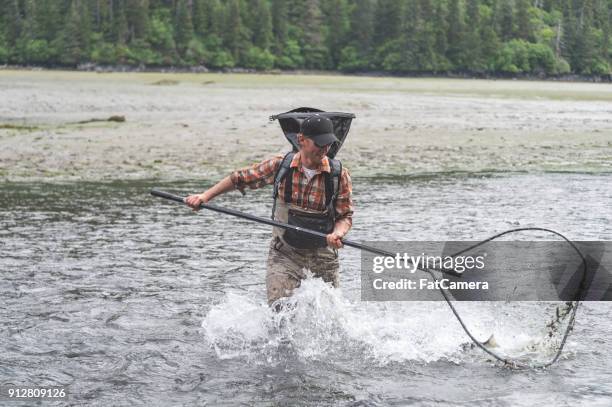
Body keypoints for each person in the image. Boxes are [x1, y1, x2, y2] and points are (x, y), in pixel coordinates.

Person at [186, 114, 353, 307]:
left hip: (324, 256)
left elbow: (345, 216)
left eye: (329, 144)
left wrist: (338, 233)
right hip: (285, 253)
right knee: (279, 310)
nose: (325, 149)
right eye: (319, 144)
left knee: (330, 318)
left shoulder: (338, 175)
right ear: (301, 140)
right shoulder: (280, 165)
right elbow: (239, 178)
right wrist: (204, 197)